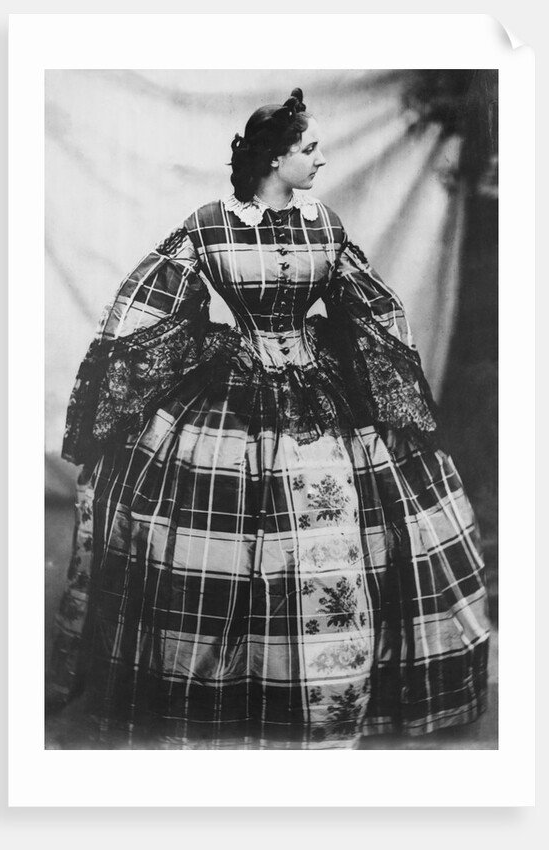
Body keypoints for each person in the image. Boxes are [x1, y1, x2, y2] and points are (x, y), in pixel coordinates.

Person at [47, 87, 490, 750]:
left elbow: (372, 305)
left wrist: (383, 376)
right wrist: (150, 374)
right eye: (309, 148)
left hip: (318, 389)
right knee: (218, 538)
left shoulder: (325, 225)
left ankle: (329, 690)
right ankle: (233, 694)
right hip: (232, 392)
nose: (319, 158)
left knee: (343, 529)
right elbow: (146, 300)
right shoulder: (210, 226)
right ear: (275, 158)